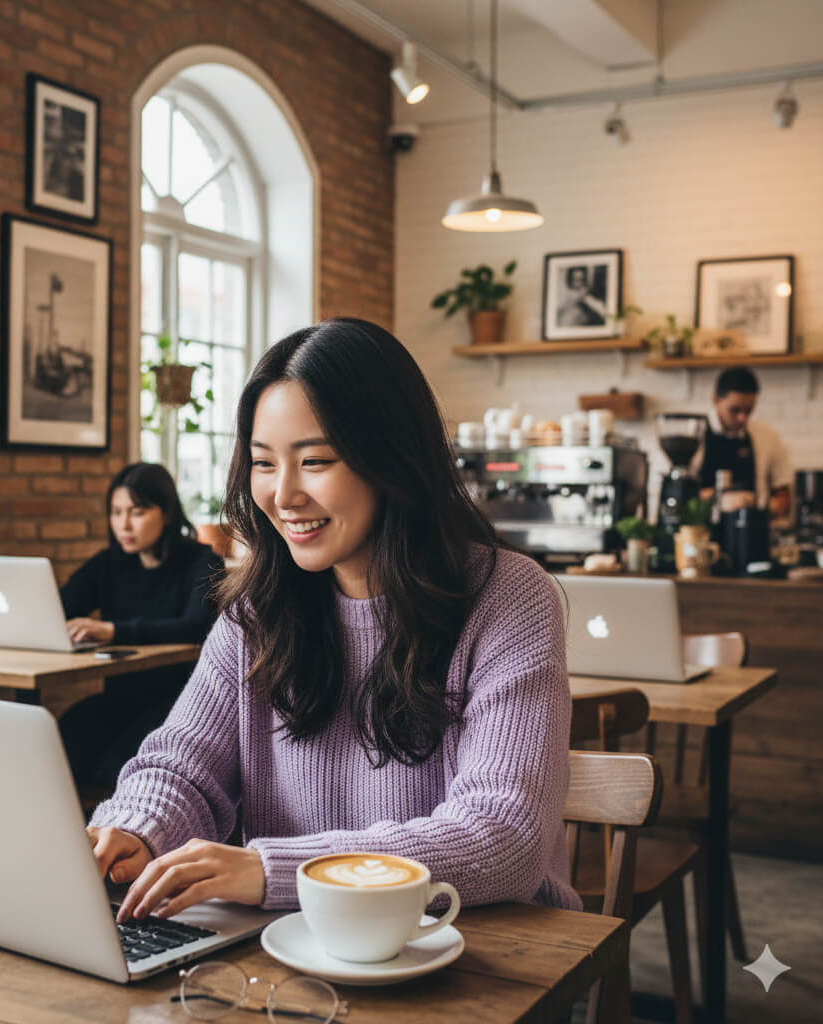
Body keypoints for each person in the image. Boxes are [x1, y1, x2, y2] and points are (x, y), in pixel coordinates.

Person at [87, 318, 580, 921]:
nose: (283, 495)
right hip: (298, 942)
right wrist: (135, 828)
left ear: (392, 458)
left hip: (482, 941)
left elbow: (503, 834)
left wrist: (273, 870)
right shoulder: (258, 610)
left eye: (315, 460)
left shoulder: (507, 597)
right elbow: (183, 765)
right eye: (263, 464)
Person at [58, 462, 224, 790]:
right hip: (119, 697)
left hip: (180, 699)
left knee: (113, 770)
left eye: (137, 512)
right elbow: (60, 608)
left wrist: (113, 631)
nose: (124, 525)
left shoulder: (201, 561)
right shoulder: (108, 563)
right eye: (116, 512)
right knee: (62, 743)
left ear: (167, 512)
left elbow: (195, 626)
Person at [696, 367, 793, 520]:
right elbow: (681, 496)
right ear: (716, 399)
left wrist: (776, 504)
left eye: (748, 411)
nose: (742, 418)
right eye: (734, 410)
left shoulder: (767, 437)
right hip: (700, 529)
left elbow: (783, 493)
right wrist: (718, 498)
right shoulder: (693, 435)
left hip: (751, 526)